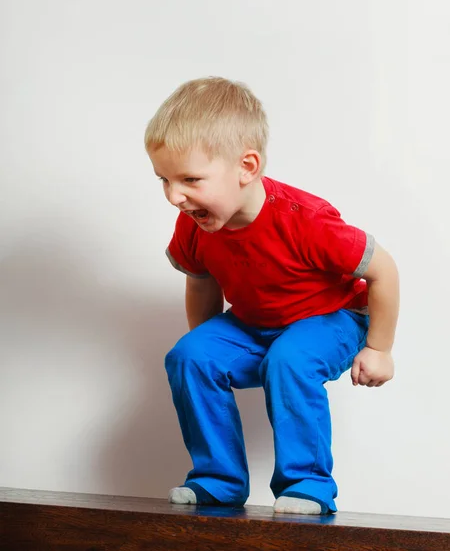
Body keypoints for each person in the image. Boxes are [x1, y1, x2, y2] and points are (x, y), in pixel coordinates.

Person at [144, 77, 399, 515]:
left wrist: (380, 348)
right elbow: (200, 279)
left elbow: (383, 271)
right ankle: (217, 481)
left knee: (291, 358)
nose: (174, 196)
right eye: (163, 180)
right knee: (190, 355)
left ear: (247, 166)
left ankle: (308, 485)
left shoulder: (305, 221)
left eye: (190, 179)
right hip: (255, 323)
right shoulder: (196, 222)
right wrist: (209, 349)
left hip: (333, 318)